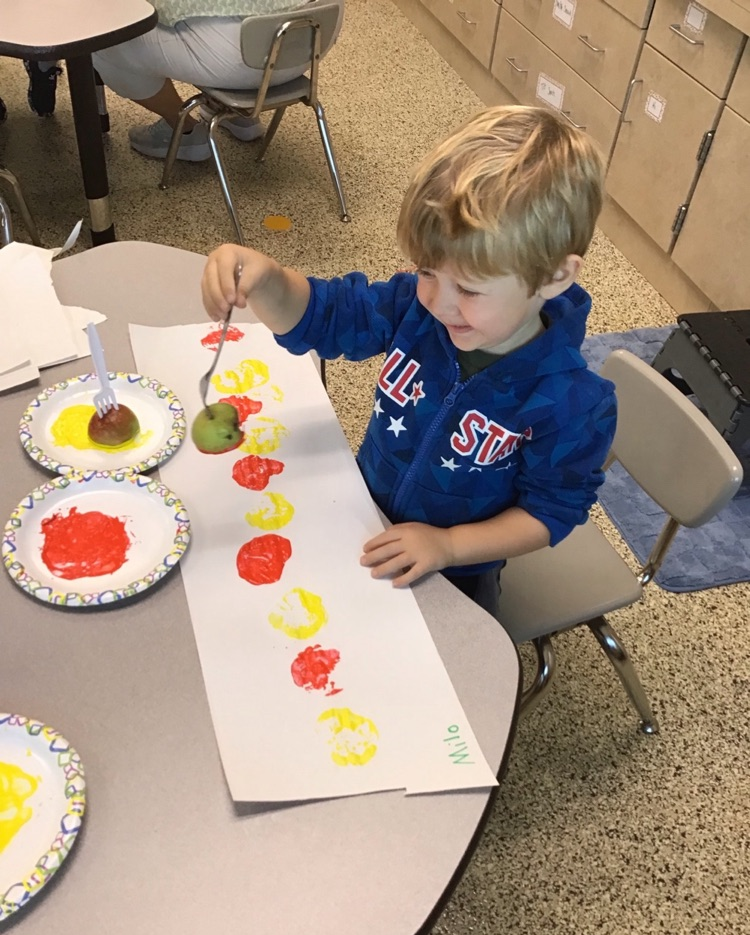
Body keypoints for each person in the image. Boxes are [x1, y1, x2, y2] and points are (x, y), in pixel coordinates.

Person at [200, 105, 618, 614]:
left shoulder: (573, 402)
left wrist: (449, 548)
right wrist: (267, 280)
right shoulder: (413, 310)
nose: (438, 303)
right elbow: (327, 316)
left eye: (468, 288)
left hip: (458, 572)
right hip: (361, 516)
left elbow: (551, 511)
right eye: (426, 272)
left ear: (554, 277)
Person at [92, 0, 339, 162]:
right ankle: (242, 116)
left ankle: (183, 130)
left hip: (235, 59)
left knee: (106, 41)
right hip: (310, 43)